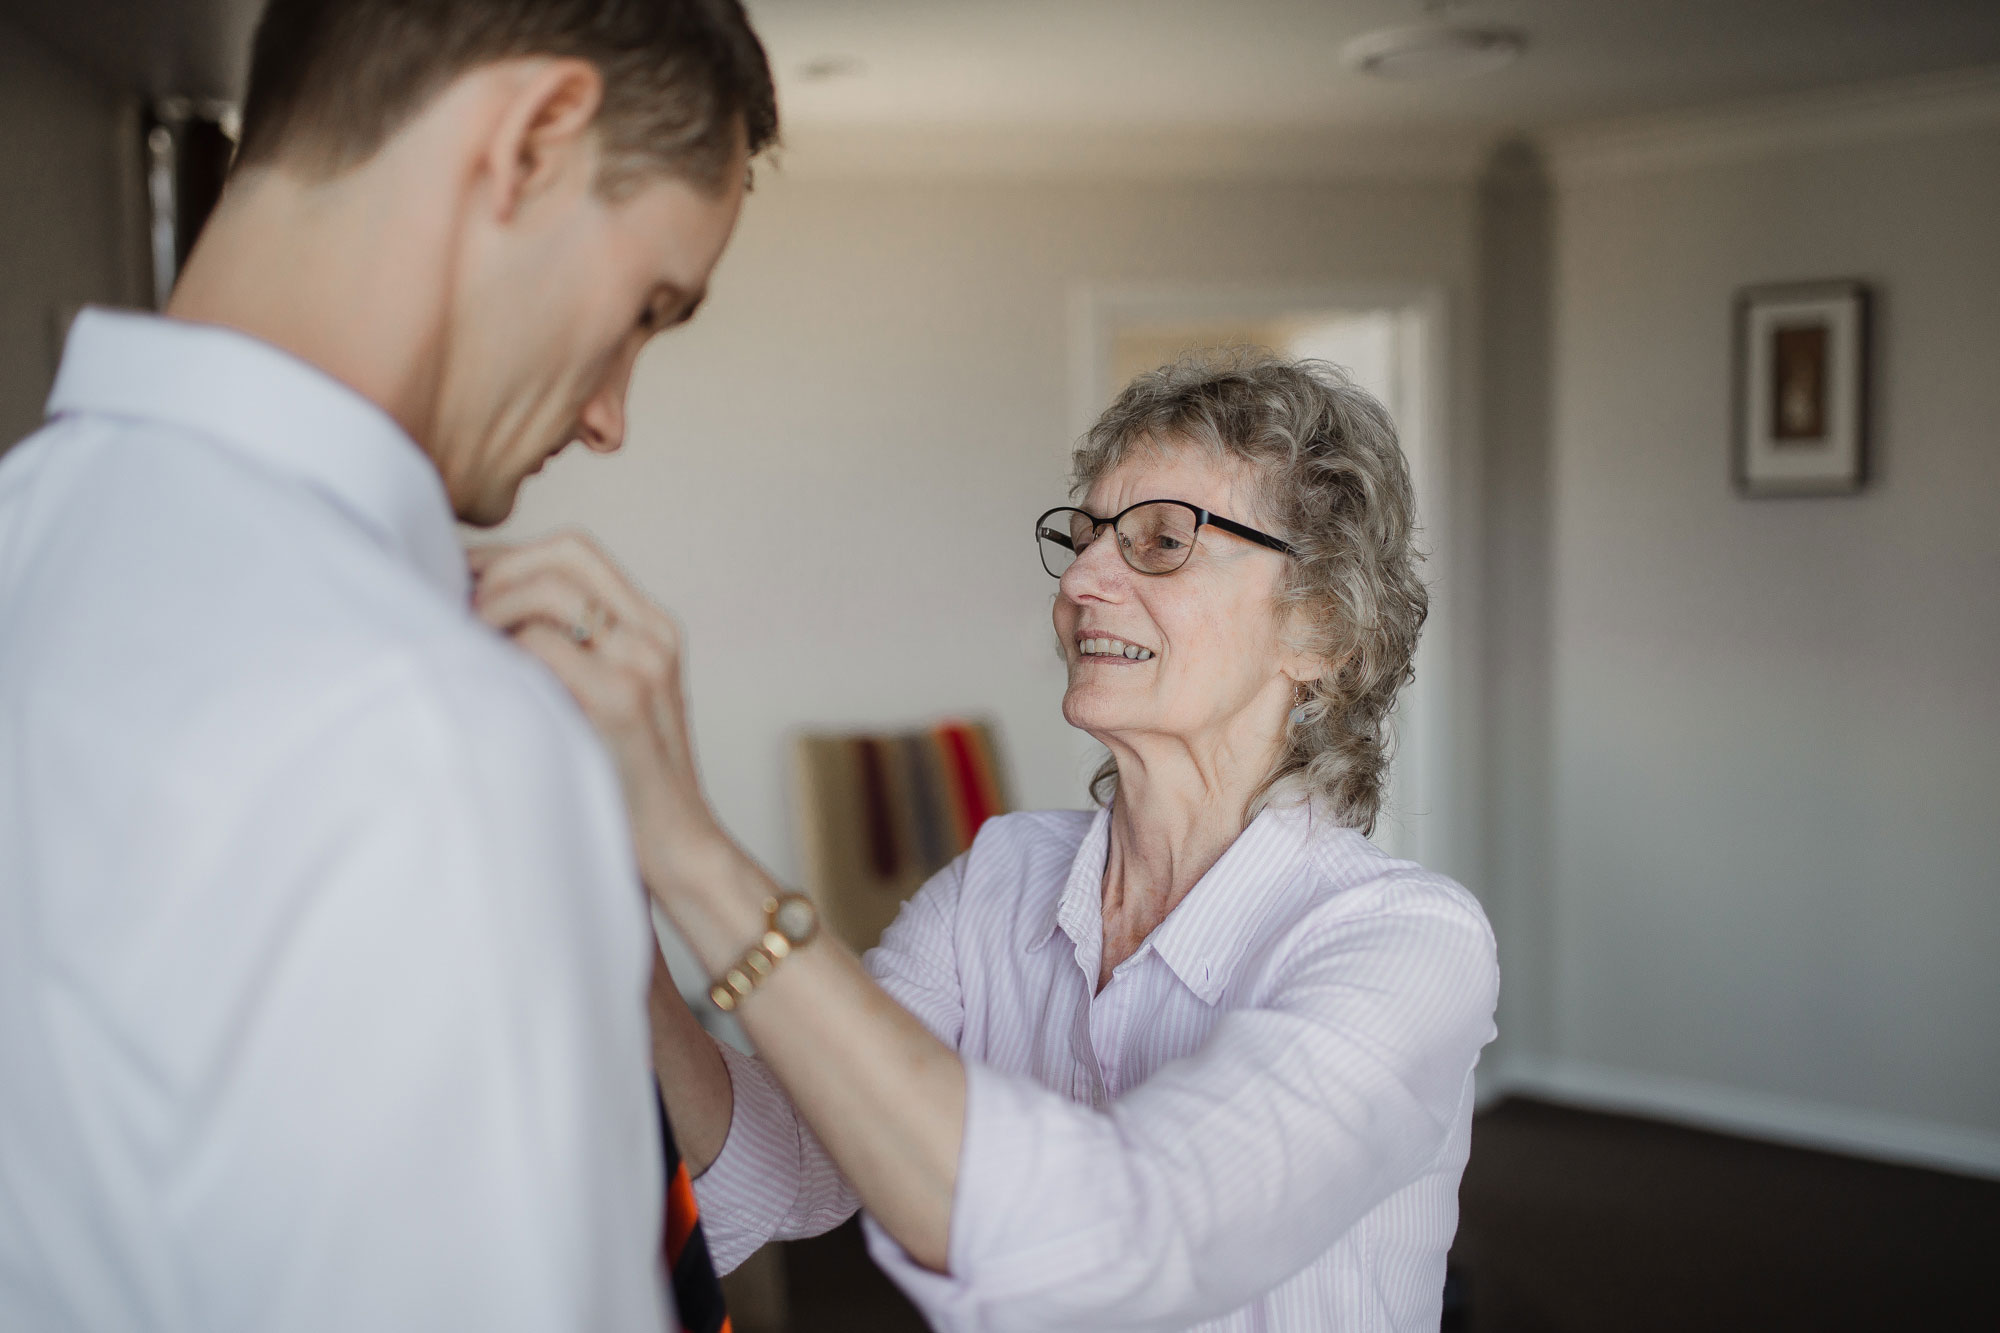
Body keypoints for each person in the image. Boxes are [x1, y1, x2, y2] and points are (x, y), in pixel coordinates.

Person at [0, 2, 775, 1329]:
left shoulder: (26, 533)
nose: (609, 418)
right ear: (531, 141)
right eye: (648, 307)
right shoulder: (428, 734)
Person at [474, 352, 1502, 1331]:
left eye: (1158, 539)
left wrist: (690, 848)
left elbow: (1131, 1236)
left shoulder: (1407, 943)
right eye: (1085, 536)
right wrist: (616, 863)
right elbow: (785, 1167)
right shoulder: (1000, 878)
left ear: (1318, 626)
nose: (1081, 580)